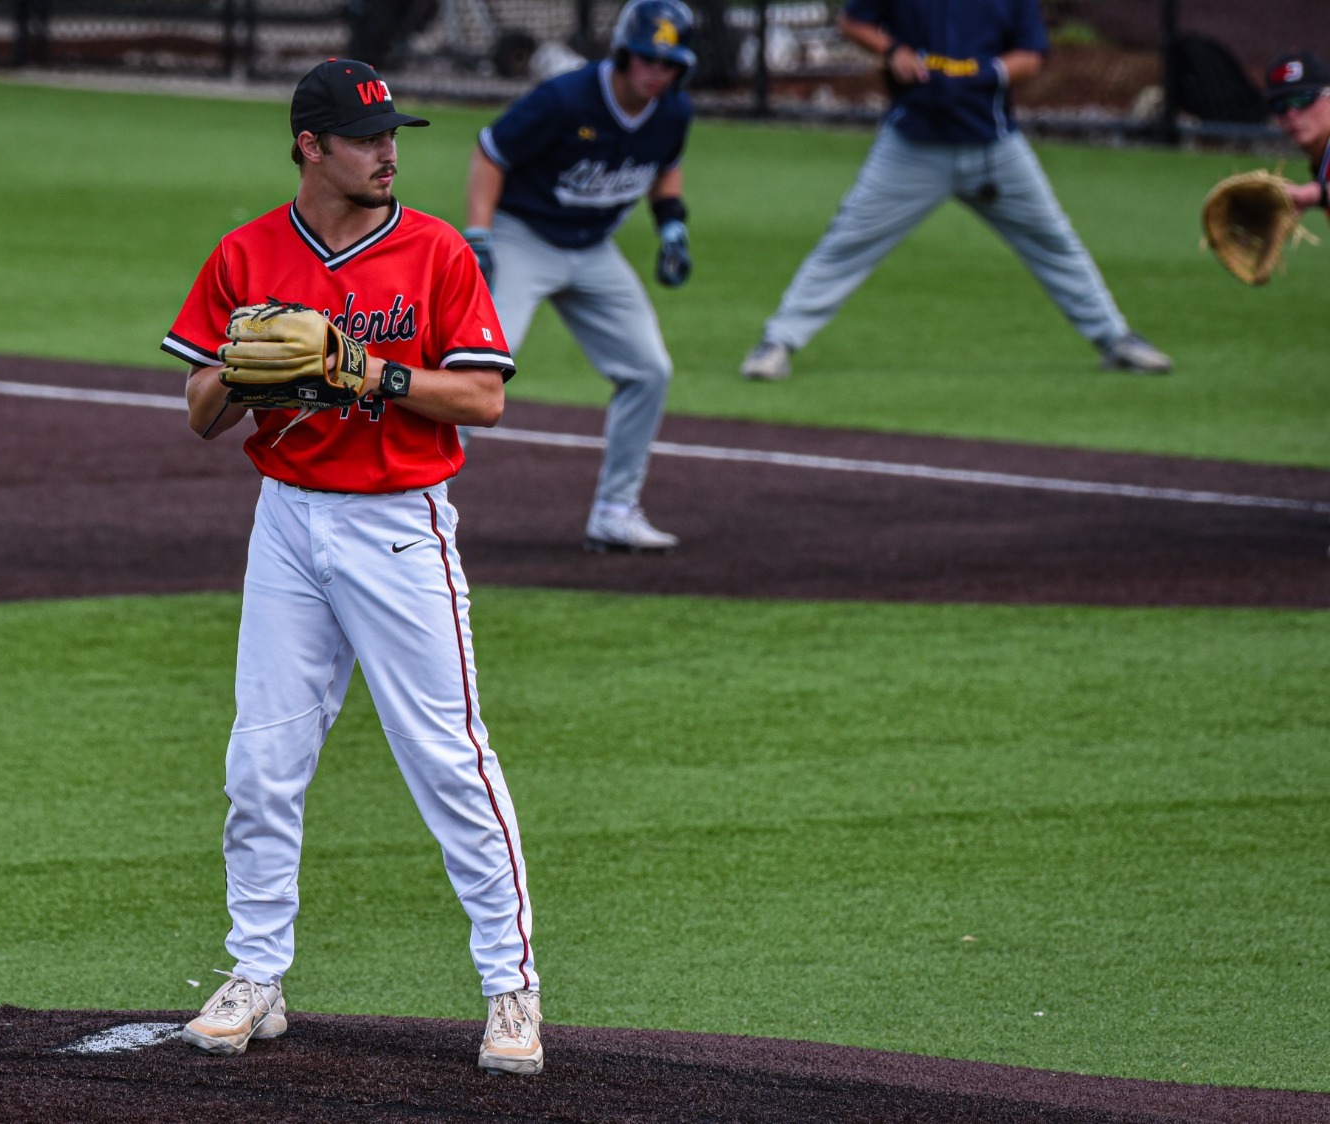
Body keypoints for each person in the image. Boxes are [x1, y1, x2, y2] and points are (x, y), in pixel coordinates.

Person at [160, 58, 543, 1076]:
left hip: (396, 524)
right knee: (261, 760)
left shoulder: (433, 251)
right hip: (285, 522)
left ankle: (511, 986)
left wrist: (364, 369)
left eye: (392, 135)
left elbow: (483, 399)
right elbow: (199, 409)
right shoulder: (244, 254)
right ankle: (255, 972)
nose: (388, 152)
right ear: (309, 147)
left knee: (448, 758)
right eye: (367, 137)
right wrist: (239, 372)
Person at [738, 0, 1174, 382]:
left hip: (994, 148)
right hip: (911, 146)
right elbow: (853, 22)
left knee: (1053, 240)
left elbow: (1031, 55)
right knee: (848, 241)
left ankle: (1114, 338)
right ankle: (777, 343)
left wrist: (988, 72)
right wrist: (893, 50)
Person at [463, 0, 697, 555]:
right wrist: (478, 233)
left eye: (667, 63)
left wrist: (671, 227)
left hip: (593, 249)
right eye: (645, 58)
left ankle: (616, 511)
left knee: (648, 369)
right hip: (524, 236)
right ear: (623, 53)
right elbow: (490, 154)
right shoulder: (565, 98)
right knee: (477, 367)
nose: (654, 72)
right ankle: (414, 501)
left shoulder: (673, 111)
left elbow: (665, 164)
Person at [1264, 51, 1330, 217]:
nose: (1291, 113)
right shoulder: (1322, 162)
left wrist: (1315, 193)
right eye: (1279, 105)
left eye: (1303, 98)